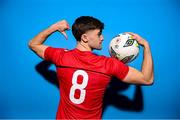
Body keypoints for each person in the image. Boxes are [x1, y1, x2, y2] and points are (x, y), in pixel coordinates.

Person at [28, 16, 154, 119]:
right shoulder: (108, 64)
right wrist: (146, 46)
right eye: (99, 34)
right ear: (84, 38)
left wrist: (54, 27)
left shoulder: (61, 56)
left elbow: (33, 44)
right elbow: (147, 79)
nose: (102, 38)